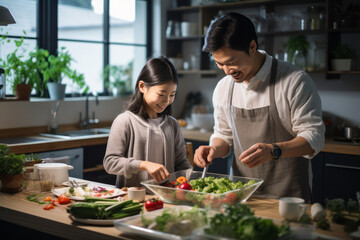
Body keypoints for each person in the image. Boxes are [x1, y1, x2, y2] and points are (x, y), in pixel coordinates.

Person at [193, 12, 325, 203]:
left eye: (231, 62)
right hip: (240, 197)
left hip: (289, 199)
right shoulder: (224, 87)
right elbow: (224, 136)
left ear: (252, 47)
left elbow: (314, 137)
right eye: (219, 64)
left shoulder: (294, 81)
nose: (227, 71)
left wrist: (274, 150)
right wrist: (213, 149)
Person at [103, 56, 192, 188]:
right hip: (134, 198)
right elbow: (110, 163)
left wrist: (191, 181)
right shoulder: (124, 121)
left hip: (167, 198)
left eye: (172, 95)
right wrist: (143, 164)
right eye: (161, 94)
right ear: (142, 86)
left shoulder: (173, 125)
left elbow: (181, 163)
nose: (167, 101)